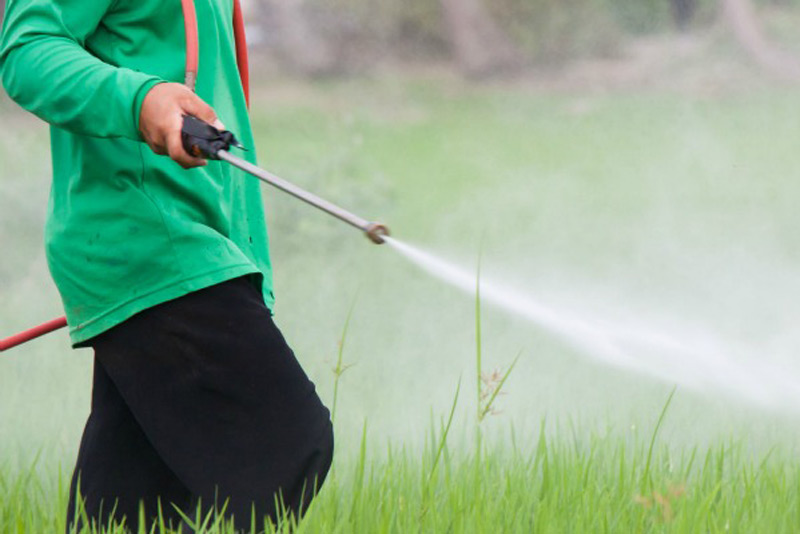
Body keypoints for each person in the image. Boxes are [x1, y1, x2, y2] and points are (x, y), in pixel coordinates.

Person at [0, 0, 333, 531]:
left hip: (184, 245)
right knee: (282, 445)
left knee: (132, 509)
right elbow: (28, 50)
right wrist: (142, 101)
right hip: (149, 240)